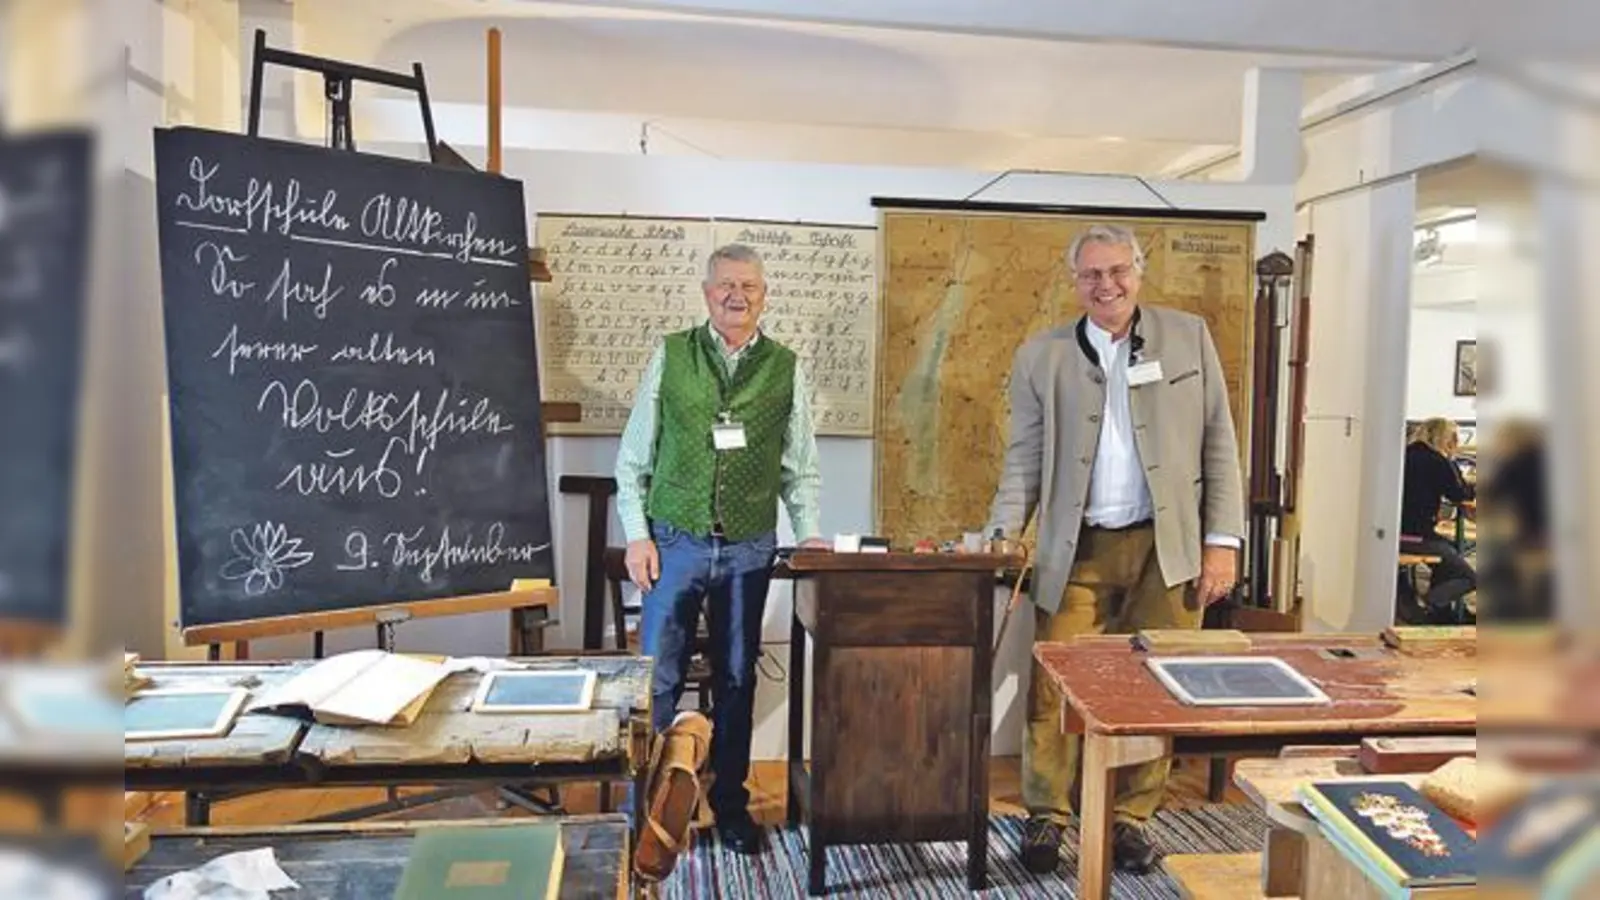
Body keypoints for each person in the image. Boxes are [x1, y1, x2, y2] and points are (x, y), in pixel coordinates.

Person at [985, 223, 1245, 876]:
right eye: (1091, 274)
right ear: (1075, 282)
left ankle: (1132, 819)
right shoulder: (1040, 356)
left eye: (1118, 270)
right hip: (1075, 553)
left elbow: (1219, 440)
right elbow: (1023, 459)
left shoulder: (1189, 337)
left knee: (1154, 688)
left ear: (1140, 270)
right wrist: (1003, 534)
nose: (1107, 284)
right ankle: (1047, 816)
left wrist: (1223, 542)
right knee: (1055, 688)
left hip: (1170, 549)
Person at [614, 243, 829, 854]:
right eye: (726, 286)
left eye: (749, 287)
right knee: (656, 682)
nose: (737, 296)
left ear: (765, 295)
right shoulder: (672, 354)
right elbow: (633, 460)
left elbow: (801, 469)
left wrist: (808, 530)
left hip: (748, 547)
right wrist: (637, 534)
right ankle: (647, 810)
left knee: (737, 678)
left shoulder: (786, 367)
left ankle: (730, 804)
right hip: (673, 542)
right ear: (706, 292)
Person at [1398, 418, 1477, 620]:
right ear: (1447, 439)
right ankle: (1429, 603)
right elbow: (1461, 494)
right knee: (1468, 577)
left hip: (1396, 531)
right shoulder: (1436, 461)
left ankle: (1441, 612)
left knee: (1450, 551)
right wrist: (1452, 463)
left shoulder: (1405, 454)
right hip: (1415, 536)